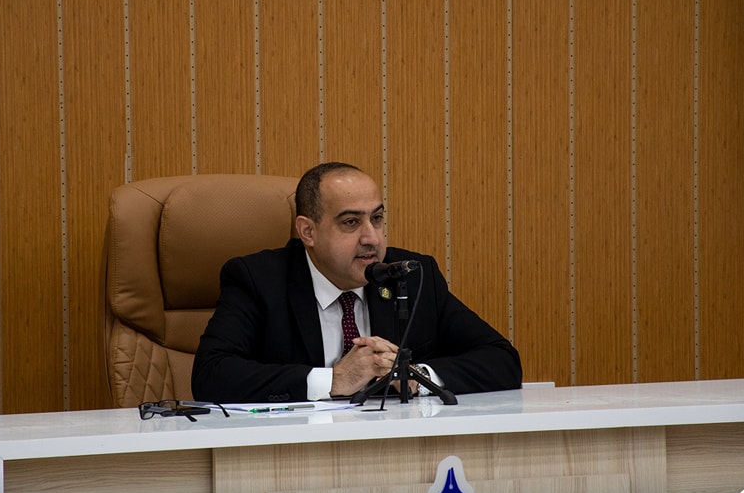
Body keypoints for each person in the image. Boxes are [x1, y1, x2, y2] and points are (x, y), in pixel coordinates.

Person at [191, 162, 521, 403]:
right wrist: (334, 380)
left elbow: (502, 360)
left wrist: (414, 376)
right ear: (308, 231)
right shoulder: (259, 280)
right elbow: (211, 375)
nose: (371, 238)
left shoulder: (410, 274)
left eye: (377, 218)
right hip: (294, 452)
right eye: (351, 222)